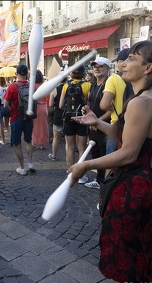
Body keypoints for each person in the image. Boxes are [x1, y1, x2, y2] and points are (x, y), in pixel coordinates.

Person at [69, 40, 152, 283]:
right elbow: (126, 136)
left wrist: (85, 166)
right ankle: (126, 282)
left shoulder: (141, 102)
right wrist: (97, 122)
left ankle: (124, 282)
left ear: (148, 68)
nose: (122, 64)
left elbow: (128, 153)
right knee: (136, 241)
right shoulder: (147, 97)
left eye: (132, 58)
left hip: (132, 183)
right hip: (140, 181)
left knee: (124, 241)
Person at [58, 65, 91, 183]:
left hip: (68, 119)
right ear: (83, 73)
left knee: (70, 147)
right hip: (82, 118)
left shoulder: (66, 85)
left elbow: (61, 105)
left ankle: (71, 173)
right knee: (82, 148)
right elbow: (89, 103)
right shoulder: (87, 85)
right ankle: (81, 176)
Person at [84, 57, 111, 190]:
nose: (97, 68)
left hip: (104, 126)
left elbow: (112, 110)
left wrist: (97, 122)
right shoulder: (94, 84)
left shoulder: (109, 84)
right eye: (95, 66)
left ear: (107, 68)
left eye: (100, 66)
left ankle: (104, 181)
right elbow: (90, 102)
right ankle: (99, 179)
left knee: (104, 153)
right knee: (95, 152)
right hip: (93, 125)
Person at [4, 64, 35, 175]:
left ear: (16, 73)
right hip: (28, 117)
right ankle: (30, 163)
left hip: (16, 118)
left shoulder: (12, 87)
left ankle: (22, 168)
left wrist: (12, 110)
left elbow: (5, 105)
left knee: (17, 143)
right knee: (28, 140)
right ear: (27, 73)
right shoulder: (31, 86)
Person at [101, 48, 131, 156]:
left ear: (122, 62)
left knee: (111, 166)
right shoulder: (140, 79)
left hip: (116, 127)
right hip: (134, 129)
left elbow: (104, 105)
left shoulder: (113, 79)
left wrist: (112, 108)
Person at [48, 76, 67, 161]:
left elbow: (50, 104)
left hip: (58, 114)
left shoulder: (54, 89)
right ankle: (68, 157)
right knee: (68, 138)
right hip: (68, 114)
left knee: (56, 137)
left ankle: (54, 155)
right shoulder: (69, 87)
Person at [32, 70, 49, 150]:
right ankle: (42, 144)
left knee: (34, 126)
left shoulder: (32, 86)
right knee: (43, 126)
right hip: (44, 107)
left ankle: (34, 142)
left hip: (35, 108)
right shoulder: (44, 85)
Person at [0, 77, 10, 145]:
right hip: (7, 106)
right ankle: (11, 139)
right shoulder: (7, 88)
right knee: (7, 125)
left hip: (1, 106)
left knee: (1, 125)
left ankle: (3, 140)